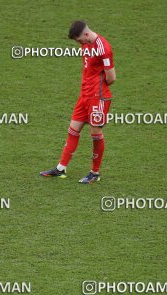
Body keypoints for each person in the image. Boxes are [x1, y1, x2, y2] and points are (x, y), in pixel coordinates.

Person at [40, 20, 116, 184]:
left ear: (86, 34)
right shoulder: (85, 44)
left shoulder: (103, 47)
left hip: (98, 98)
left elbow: (112, 77)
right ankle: (60, 169)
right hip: (84, 96)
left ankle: (94, 173)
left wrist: (97, 87)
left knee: (96, 135)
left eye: (79, 40)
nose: (79, 43)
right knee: (73, 130)